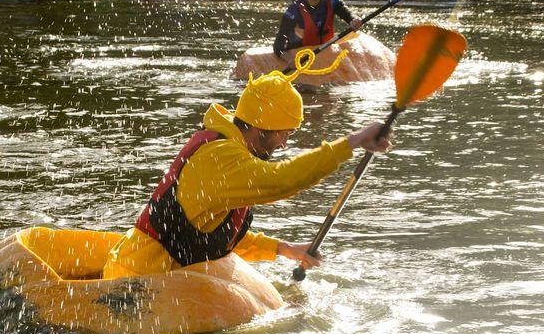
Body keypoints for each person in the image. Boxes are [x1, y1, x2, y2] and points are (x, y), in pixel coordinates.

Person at [102, 50, 390, 279]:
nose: (284, 144)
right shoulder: (221, 158)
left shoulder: (233, 152)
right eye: (285, 134)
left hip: (162, 274)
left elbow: (213, 233)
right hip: (136, 278)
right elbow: (282, 181)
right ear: (262, 127)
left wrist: (283, 249)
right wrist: (352, 142)